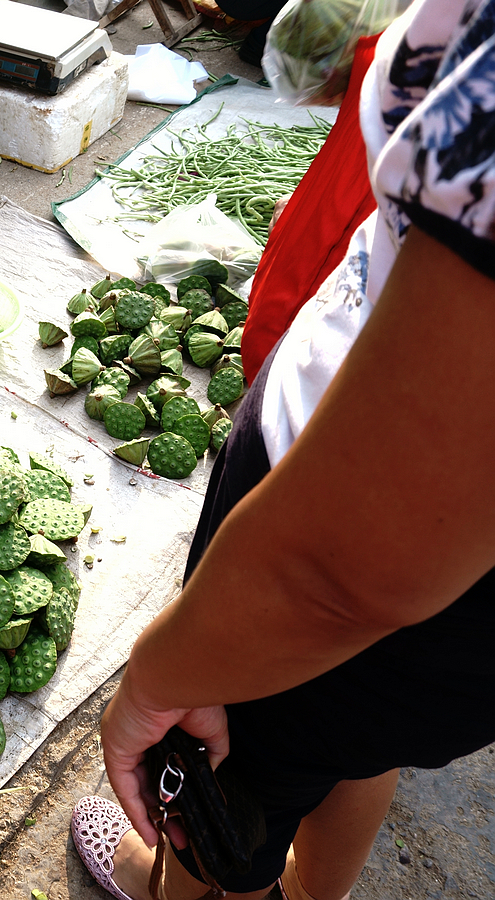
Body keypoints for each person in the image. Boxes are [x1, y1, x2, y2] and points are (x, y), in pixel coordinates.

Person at [69, 0, 495, 897]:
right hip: (435, 627)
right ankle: (307, 890)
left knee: (228, 792)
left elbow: (352, 570)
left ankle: (175, 875)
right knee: (353, 746)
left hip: (373, 588)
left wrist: (161, 675)